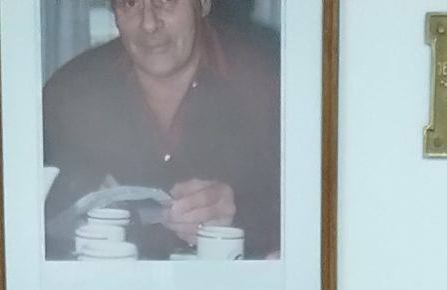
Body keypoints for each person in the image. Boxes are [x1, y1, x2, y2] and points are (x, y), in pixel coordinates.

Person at [42, 0, 281, 260]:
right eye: (130, 3)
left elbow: (316, 220)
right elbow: (28, 228)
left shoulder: (271, 81)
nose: (149, 24)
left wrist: (241, 217)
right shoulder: (70, 92)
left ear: (203, 4)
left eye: (165, 2)